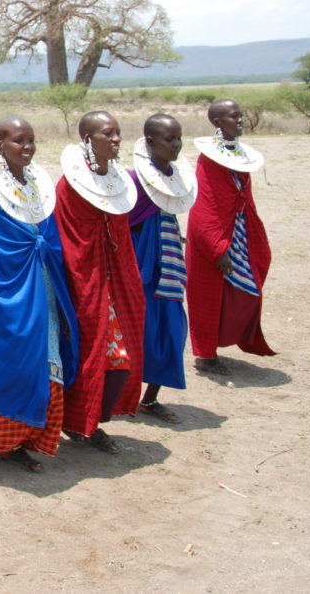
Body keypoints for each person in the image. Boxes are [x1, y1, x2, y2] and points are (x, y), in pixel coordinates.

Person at [0, 117, 79, 472]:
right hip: (7, 292)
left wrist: (47, 255)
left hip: (45, 290)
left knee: (41, 359)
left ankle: (22, 441)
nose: (28, 147)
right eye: (19, 141)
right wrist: (32, 251)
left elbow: (48, 233)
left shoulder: (39, 185)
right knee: (9, 359)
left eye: (32, 140)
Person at [53, 111, 145, 454]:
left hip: (115, 282)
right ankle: (81, 423)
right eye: (108, 134)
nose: (116, 140)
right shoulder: (70, 185)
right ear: (88, 139)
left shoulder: (119, 183)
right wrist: (88, 282)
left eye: (119, 133)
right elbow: (70, 241)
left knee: (120, 357)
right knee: (90, 352)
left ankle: (92, 421)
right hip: (84, 282)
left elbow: (120, 233)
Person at [186, 100, 275, 375]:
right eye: (233, 117)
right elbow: (206, 205)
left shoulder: (239, 155)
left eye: (240, 116)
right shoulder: (209, 160)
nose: (240, 121)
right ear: (216, 122)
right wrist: (217, 248)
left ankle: (228, 338)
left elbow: (242, 197)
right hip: (212, 238)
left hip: (238, 232)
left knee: (248, 285)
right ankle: (205, 355)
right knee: (207, 297)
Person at [128, 114, 198, 422]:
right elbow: (124, 222)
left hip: (168, 267)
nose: (177, 145)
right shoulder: (133, 180)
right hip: (140, 267)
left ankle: (150, 399)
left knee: (171, 332)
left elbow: (165, 213)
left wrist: (168, 233)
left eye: (179, 138)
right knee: (135, 334)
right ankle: (122, 397)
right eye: (170, 139)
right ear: (151, 142)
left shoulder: (176, 178)